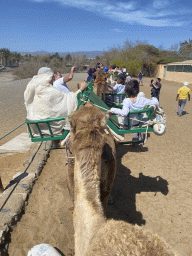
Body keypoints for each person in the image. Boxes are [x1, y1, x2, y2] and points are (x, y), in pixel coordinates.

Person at [24, 67, 88, 137]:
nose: (53, 79)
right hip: (51, 128)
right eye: (52, 77)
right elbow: (68, 102)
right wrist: (81, 89)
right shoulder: (50, 92)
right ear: (49, 78)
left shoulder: (32, 89)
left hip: (37, 127)